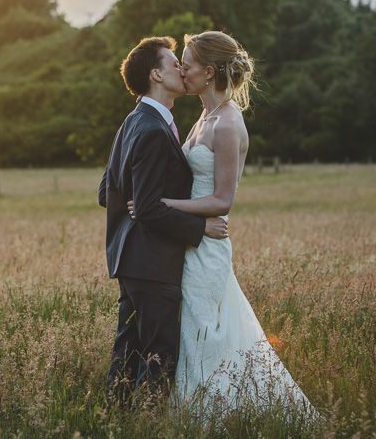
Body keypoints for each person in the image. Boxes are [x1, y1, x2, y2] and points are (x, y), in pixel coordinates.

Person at [128, 30, 316, 416]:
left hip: (208, 244)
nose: (182, 68)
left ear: (209, 71)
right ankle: (193, 408)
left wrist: (161, 203)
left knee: (201, 330)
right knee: (191, 328)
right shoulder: (203, 116)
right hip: (189, 240)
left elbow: (222, 200)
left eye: (189, 63)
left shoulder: (228, 123)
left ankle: (205, 415)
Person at [98, 36, 229, 409]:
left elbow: (106, 192)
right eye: (174, 63)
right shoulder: (154, 130)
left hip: (130, 259)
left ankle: (116, 418)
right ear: (156, 73)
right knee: (160, 352)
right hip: (153, 262)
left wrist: (135, 208)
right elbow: (151, 208)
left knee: (130, 347)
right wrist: (200, 228)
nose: (182, 69)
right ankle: (148, 420)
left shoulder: (134, 120)